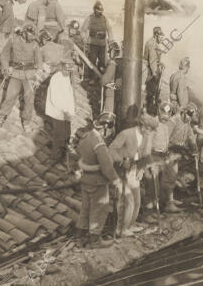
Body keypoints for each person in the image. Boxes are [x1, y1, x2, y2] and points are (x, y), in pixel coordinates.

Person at [74, 112, 121, 248]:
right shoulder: (99, 144)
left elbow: (80, 156)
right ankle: (95, 240)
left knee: (86, 208)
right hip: (97, 182)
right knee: (99, 208)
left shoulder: (86, 136)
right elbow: (107, 167)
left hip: (85, 180)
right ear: (106, 127)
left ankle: (79, 237)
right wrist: (115, 180)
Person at [109, 113, 157, 237]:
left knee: (137, 201)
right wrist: (120, 161)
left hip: (134, 170)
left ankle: (130, 225)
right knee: (127, 202)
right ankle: (121, 230)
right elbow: (111, 149)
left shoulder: (145, 136)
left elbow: (146, 154)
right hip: (121, 172)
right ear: (142, 126)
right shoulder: (126, 134)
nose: (149, 133)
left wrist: (142, 169)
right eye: (149, 129)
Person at [0, 23, 41, 132]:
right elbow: (4, 55)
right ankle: (2, 117)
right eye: (30, 34)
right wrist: (6, 68)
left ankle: (26, 122)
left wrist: (36, 76)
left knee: (29, 99)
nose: (32, 37)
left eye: (33, 35)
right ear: (24, 32)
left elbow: (39, 62)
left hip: (29, 74)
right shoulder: (13, 40)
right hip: (15, 73)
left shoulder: (35, 45)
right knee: (10, 95)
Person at [164, 102, 199, 209]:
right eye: (188, 115)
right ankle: (167, 203)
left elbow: (191, 136)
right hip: (169, 153)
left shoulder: (186, 122)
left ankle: (170, 199)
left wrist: (195, 150)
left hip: (177, 153)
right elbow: (164, 139)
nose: (189, 119)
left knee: (173, 176)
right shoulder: (173, 121)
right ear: (183, 112)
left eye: (191, 117)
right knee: (169, 177)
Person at [45, 58, 76, 162]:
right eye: (66, 70)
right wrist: (64, 110)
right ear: (62, 67)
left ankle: (62, 155)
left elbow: (69, 95)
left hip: (66, 113)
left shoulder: (67, 77)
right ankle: (55, 157)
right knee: (59, 135)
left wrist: (71, 111)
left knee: (66, 134)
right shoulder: (56, 78)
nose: (67, 72)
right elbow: (55, 98)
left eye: (69, 71)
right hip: (57, 112)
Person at [81, 1, 114, 82]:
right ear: (94, 9)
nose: (100, 12)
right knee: (92, 61)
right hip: (93, 43)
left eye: (101, 10)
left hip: (102, 44)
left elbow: (109, 30)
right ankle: (92, 78)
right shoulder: (90, 18)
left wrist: (111, 41)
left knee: (102, 62)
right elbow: (83, 30)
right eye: (98, 10)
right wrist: (85, 39)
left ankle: (100, 78)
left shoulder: (104, 18)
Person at [143, 27, 165, 116]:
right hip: (150, 73)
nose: (162, 38)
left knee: (153, 93)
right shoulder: (151, 44)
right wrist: (156, 75)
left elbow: (156, 58)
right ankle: (149, 113)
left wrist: (160, 63)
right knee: (151, 94)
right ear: (156, 35)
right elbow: (152, 61)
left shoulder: (154, 43)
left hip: (152, 71)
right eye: (161, 36)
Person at [100, 42, 122, 114]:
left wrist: (102, 76)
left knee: (108, 115)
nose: (108, 54)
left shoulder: (112, 64)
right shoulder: (120, 63)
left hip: (111, 94)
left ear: (113, 52)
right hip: (117, 93)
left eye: (109, 52)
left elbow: (104, 80)